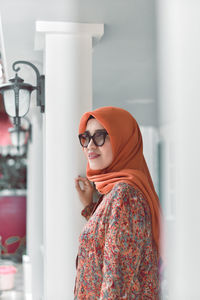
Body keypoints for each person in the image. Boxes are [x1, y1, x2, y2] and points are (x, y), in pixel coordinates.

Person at [74, 106, 162, 299]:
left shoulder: (125, 195)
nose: (90, 145)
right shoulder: (114, 193)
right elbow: (109, 242)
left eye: (100, 136)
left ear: (123, 140)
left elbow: (116, 282)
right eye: (86, 137)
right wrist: (91, 207)